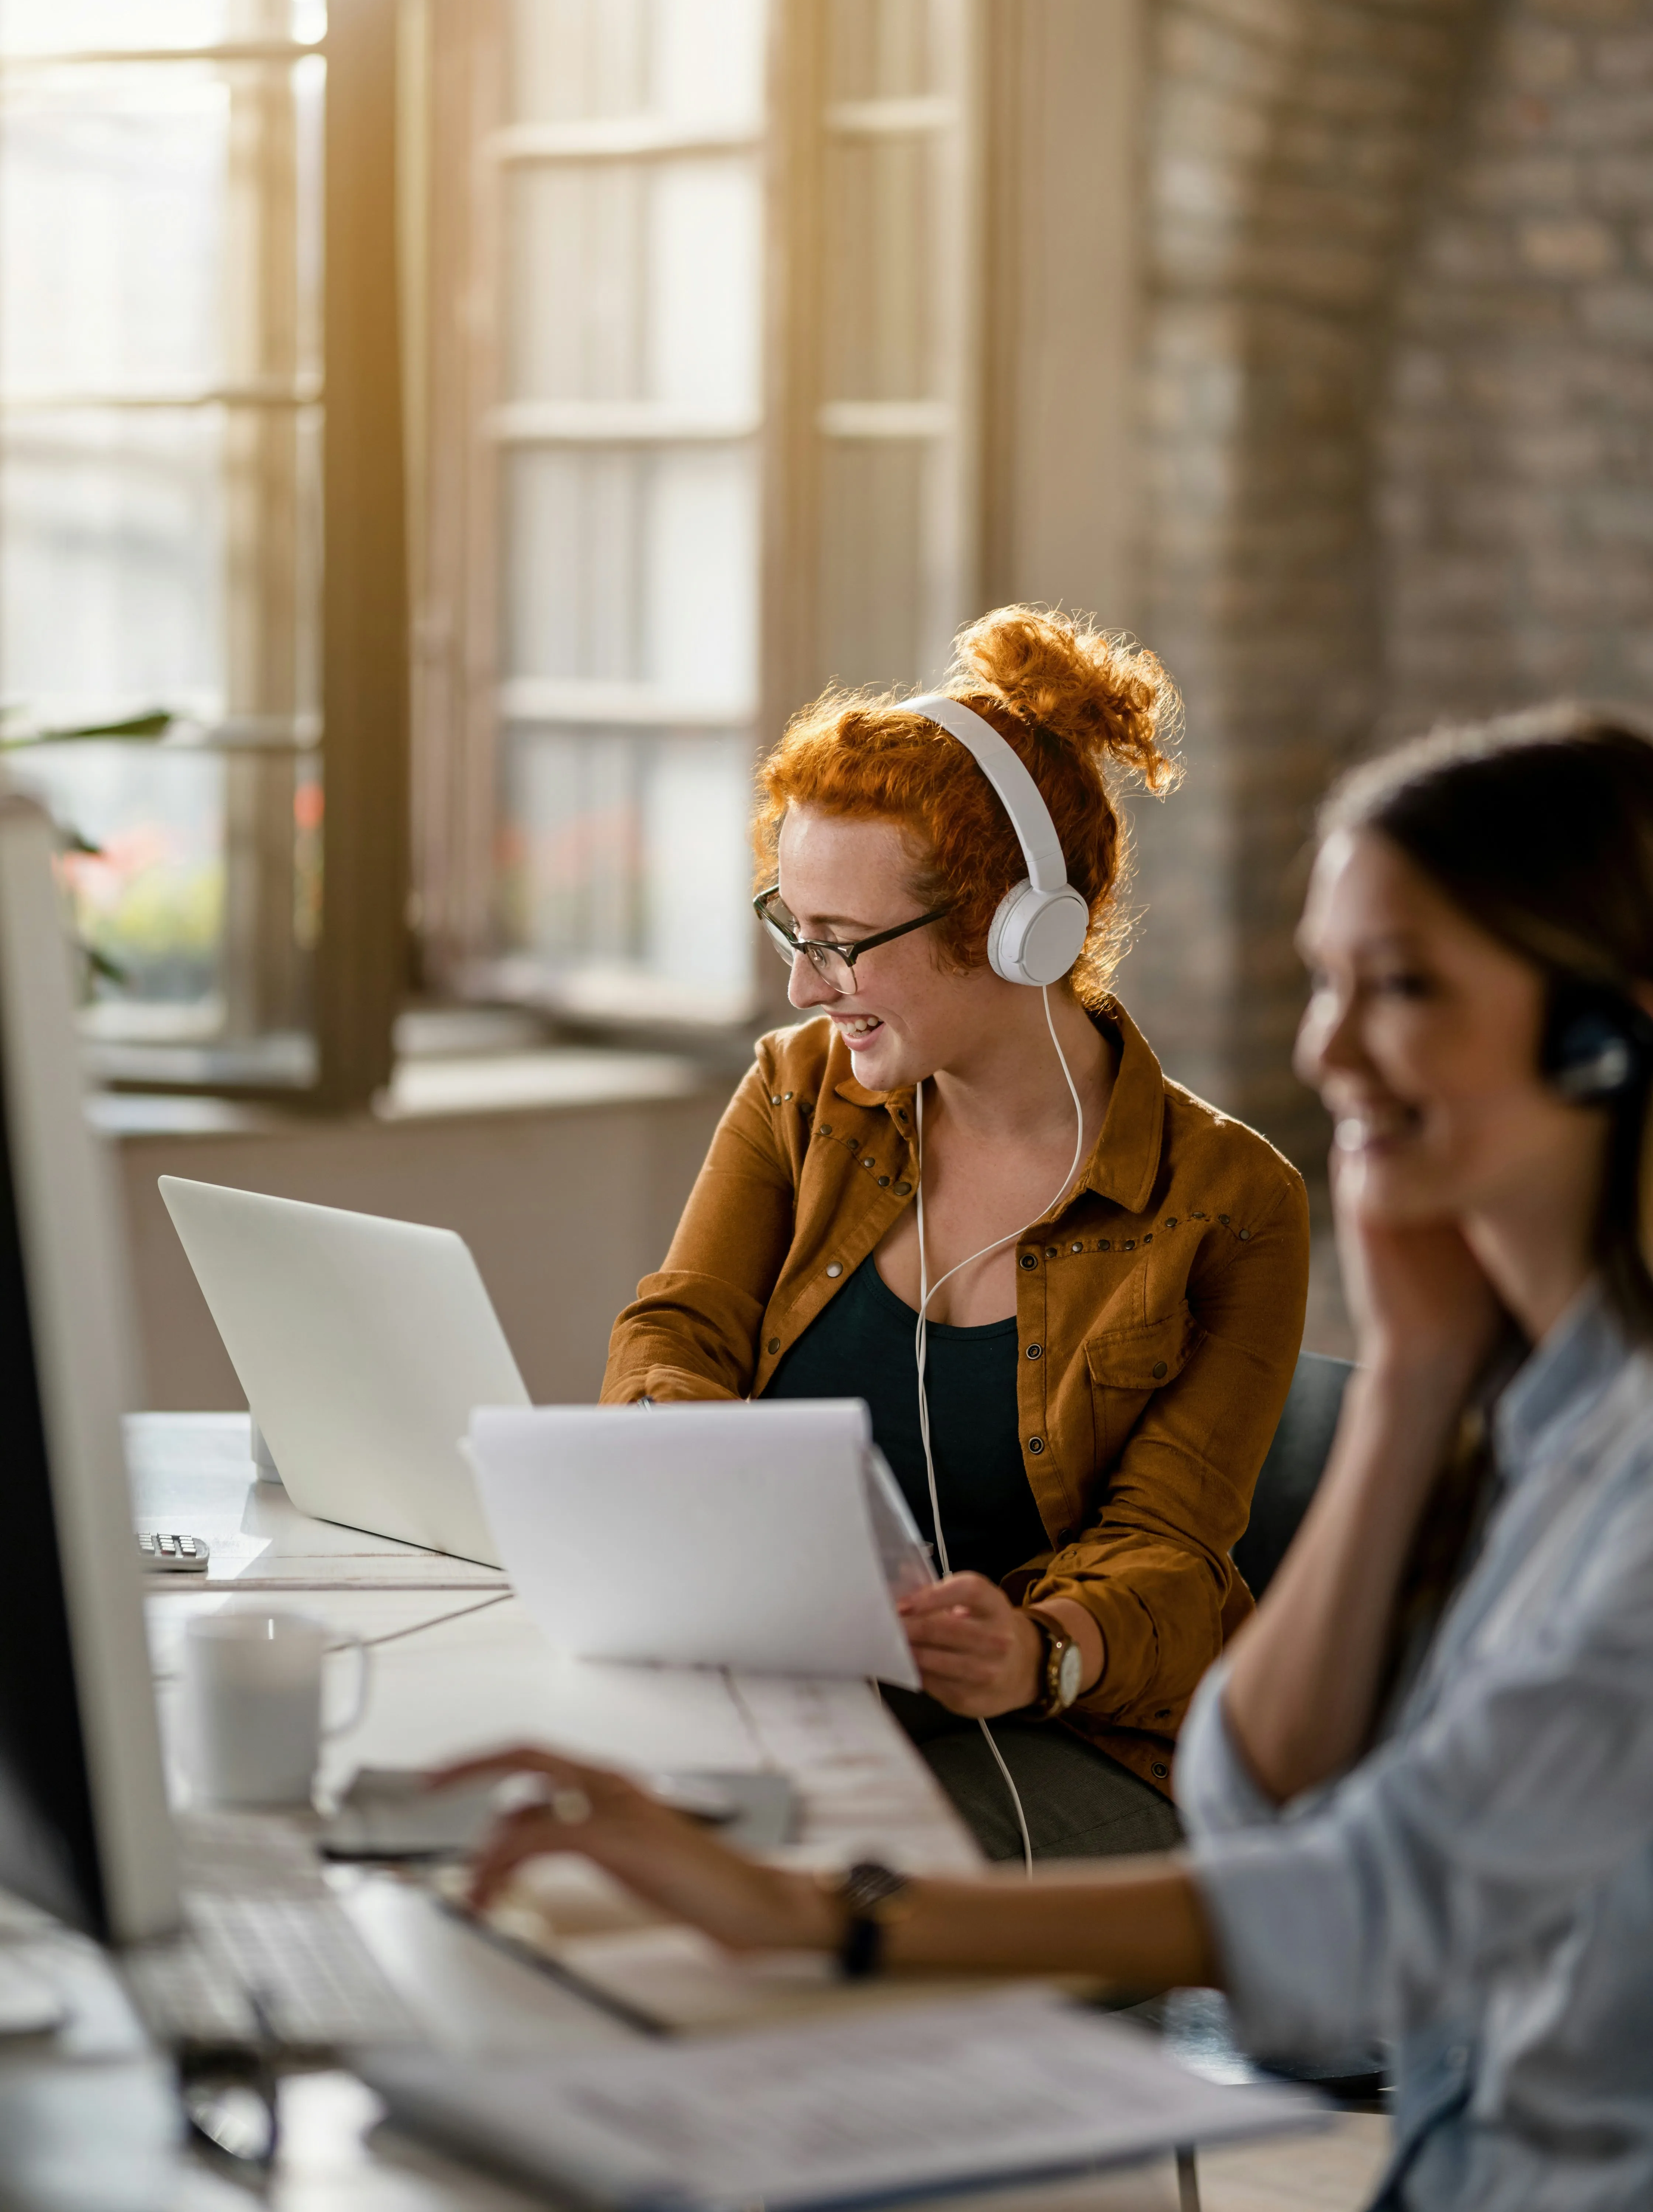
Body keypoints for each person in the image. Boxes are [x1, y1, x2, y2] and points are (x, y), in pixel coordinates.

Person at [441, 706, 1653, 2211]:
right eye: (1323, 983)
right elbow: (1277, 1813)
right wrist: (1410, 1374)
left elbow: (1339, 1910)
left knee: (664, 1969)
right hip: (1455, 2158)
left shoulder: (1250, 1219)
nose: (1320, 1049)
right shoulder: (1535, 1416)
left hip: (1062, 1758)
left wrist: (1002, 1704)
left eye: (1393, 988)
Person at [597, 604, 1310, 1860]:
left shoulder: (1229, 1205)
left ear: (1016, 928)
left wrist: (1040, 1650)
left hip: (1077, 1742)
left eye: (844, 947)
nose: (805, 988)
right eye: (792, 930)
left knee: (785, 1880)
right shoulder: (796, 1090)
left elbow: (1169, 1552)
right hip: (804, 1703)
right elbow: (681, 1329)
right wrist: (680, 1467)